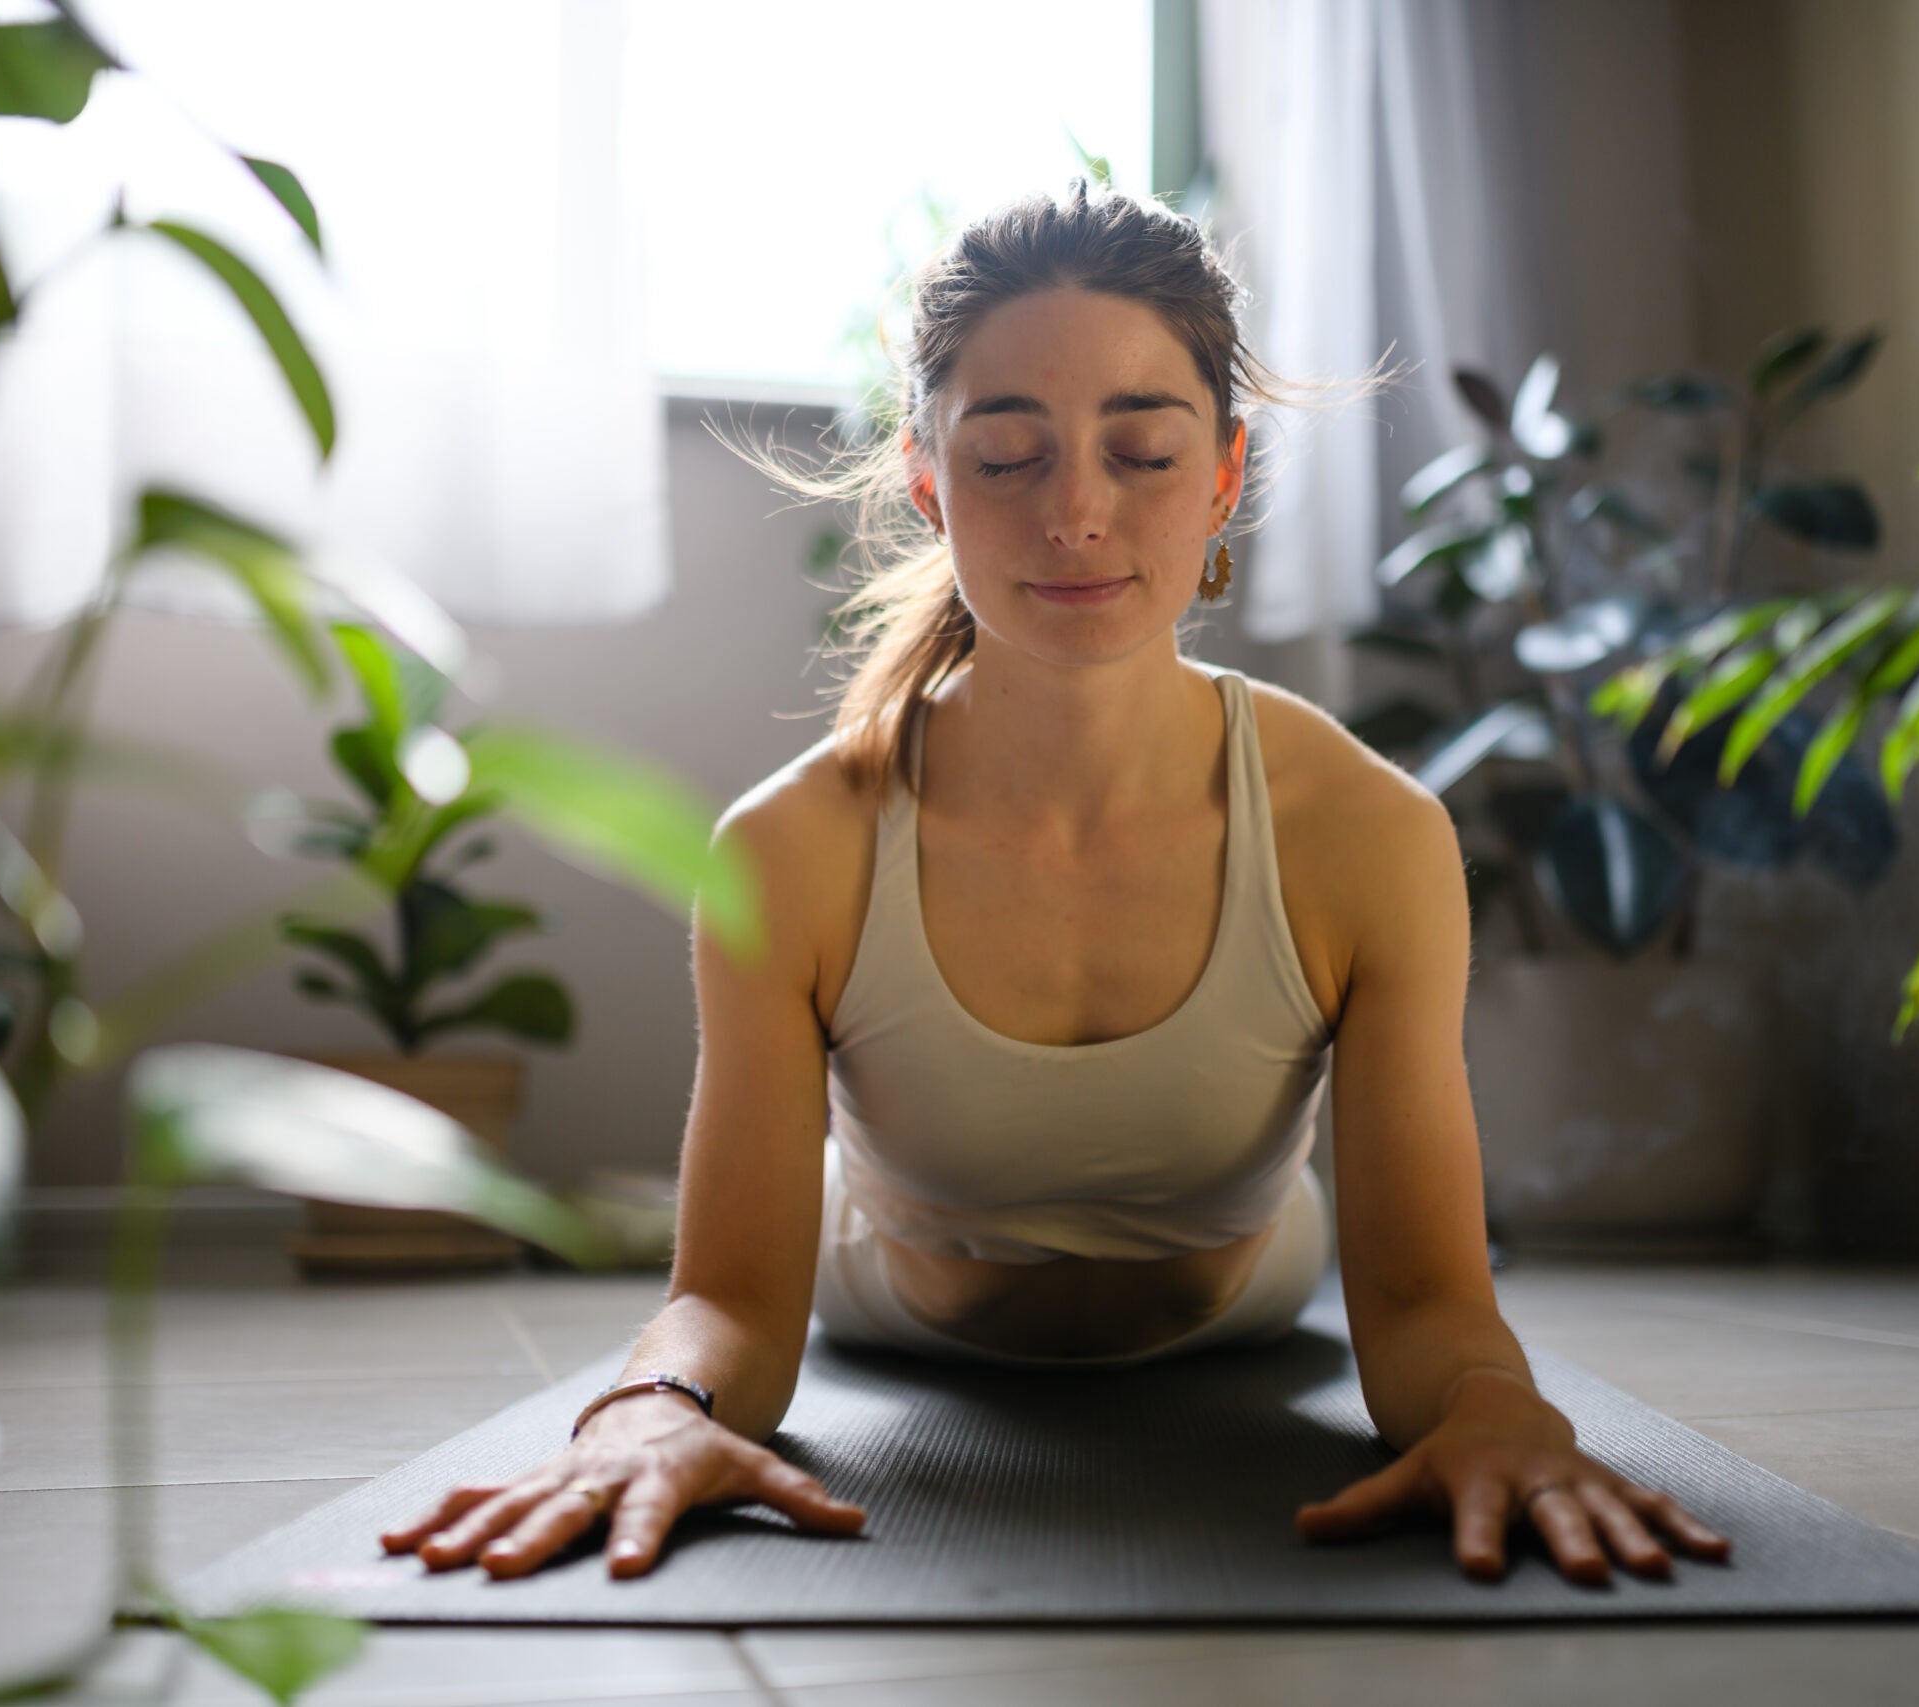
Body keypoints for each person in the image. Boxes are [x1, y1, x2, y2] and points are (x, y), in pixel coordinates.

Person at [381, 180, 1730, 1591]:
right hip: (893, 1286)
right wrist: (648, 1415)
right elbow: (729, 1300)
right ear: (926, 482)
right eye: (1009, 458)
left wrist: (1499, 1416)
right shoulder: (798, 846)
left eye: (1142, 452)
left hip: (1242, 1281)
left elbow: (1424, 1303)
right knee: (781, 1222)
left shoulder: (1366, 834)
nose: (1076, 515)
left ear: (1222, 474)